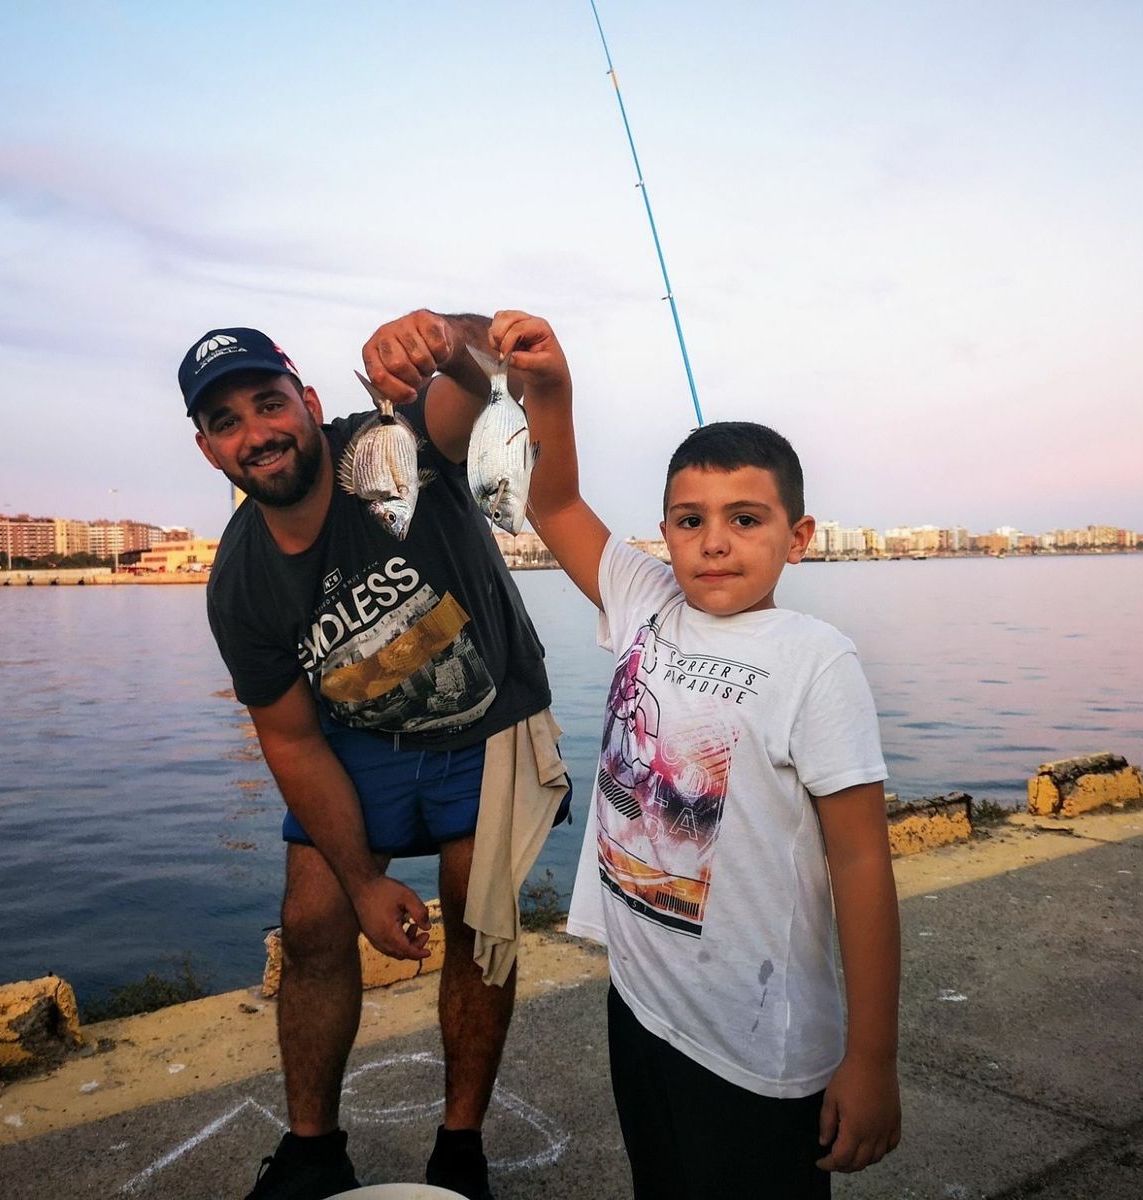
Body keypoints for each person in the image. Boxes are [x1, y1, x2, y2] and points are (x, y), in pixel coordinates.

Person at [495, 309, 902, 1197]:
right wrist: (553, 392)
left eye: (746, 518)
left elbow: (863, 861)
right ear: (666, 532)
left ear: (799, 536)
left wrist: (870, 1059)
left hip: (757, 1050)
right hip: (641, 1009)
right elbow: (553, 502)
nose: (714, 540)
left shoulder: (814, 658)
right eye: (689, 519)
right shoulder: (645, 602)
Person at [180, 313, 565, 1200]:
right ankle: (314, 1149)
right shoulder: (239, 584)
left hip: (490, 709)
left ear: (311, 404)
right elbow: (289, 739)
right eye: (227, 422)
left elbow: (479, 377)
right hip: (357, 735)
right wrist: (359, 881)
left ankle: (460, 1149)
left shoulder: (395, 445)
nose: (258, 433)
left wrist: (440, 334)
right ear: (208, 450)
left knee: (480, 924)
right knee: (313, 922)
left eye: (269, 404)